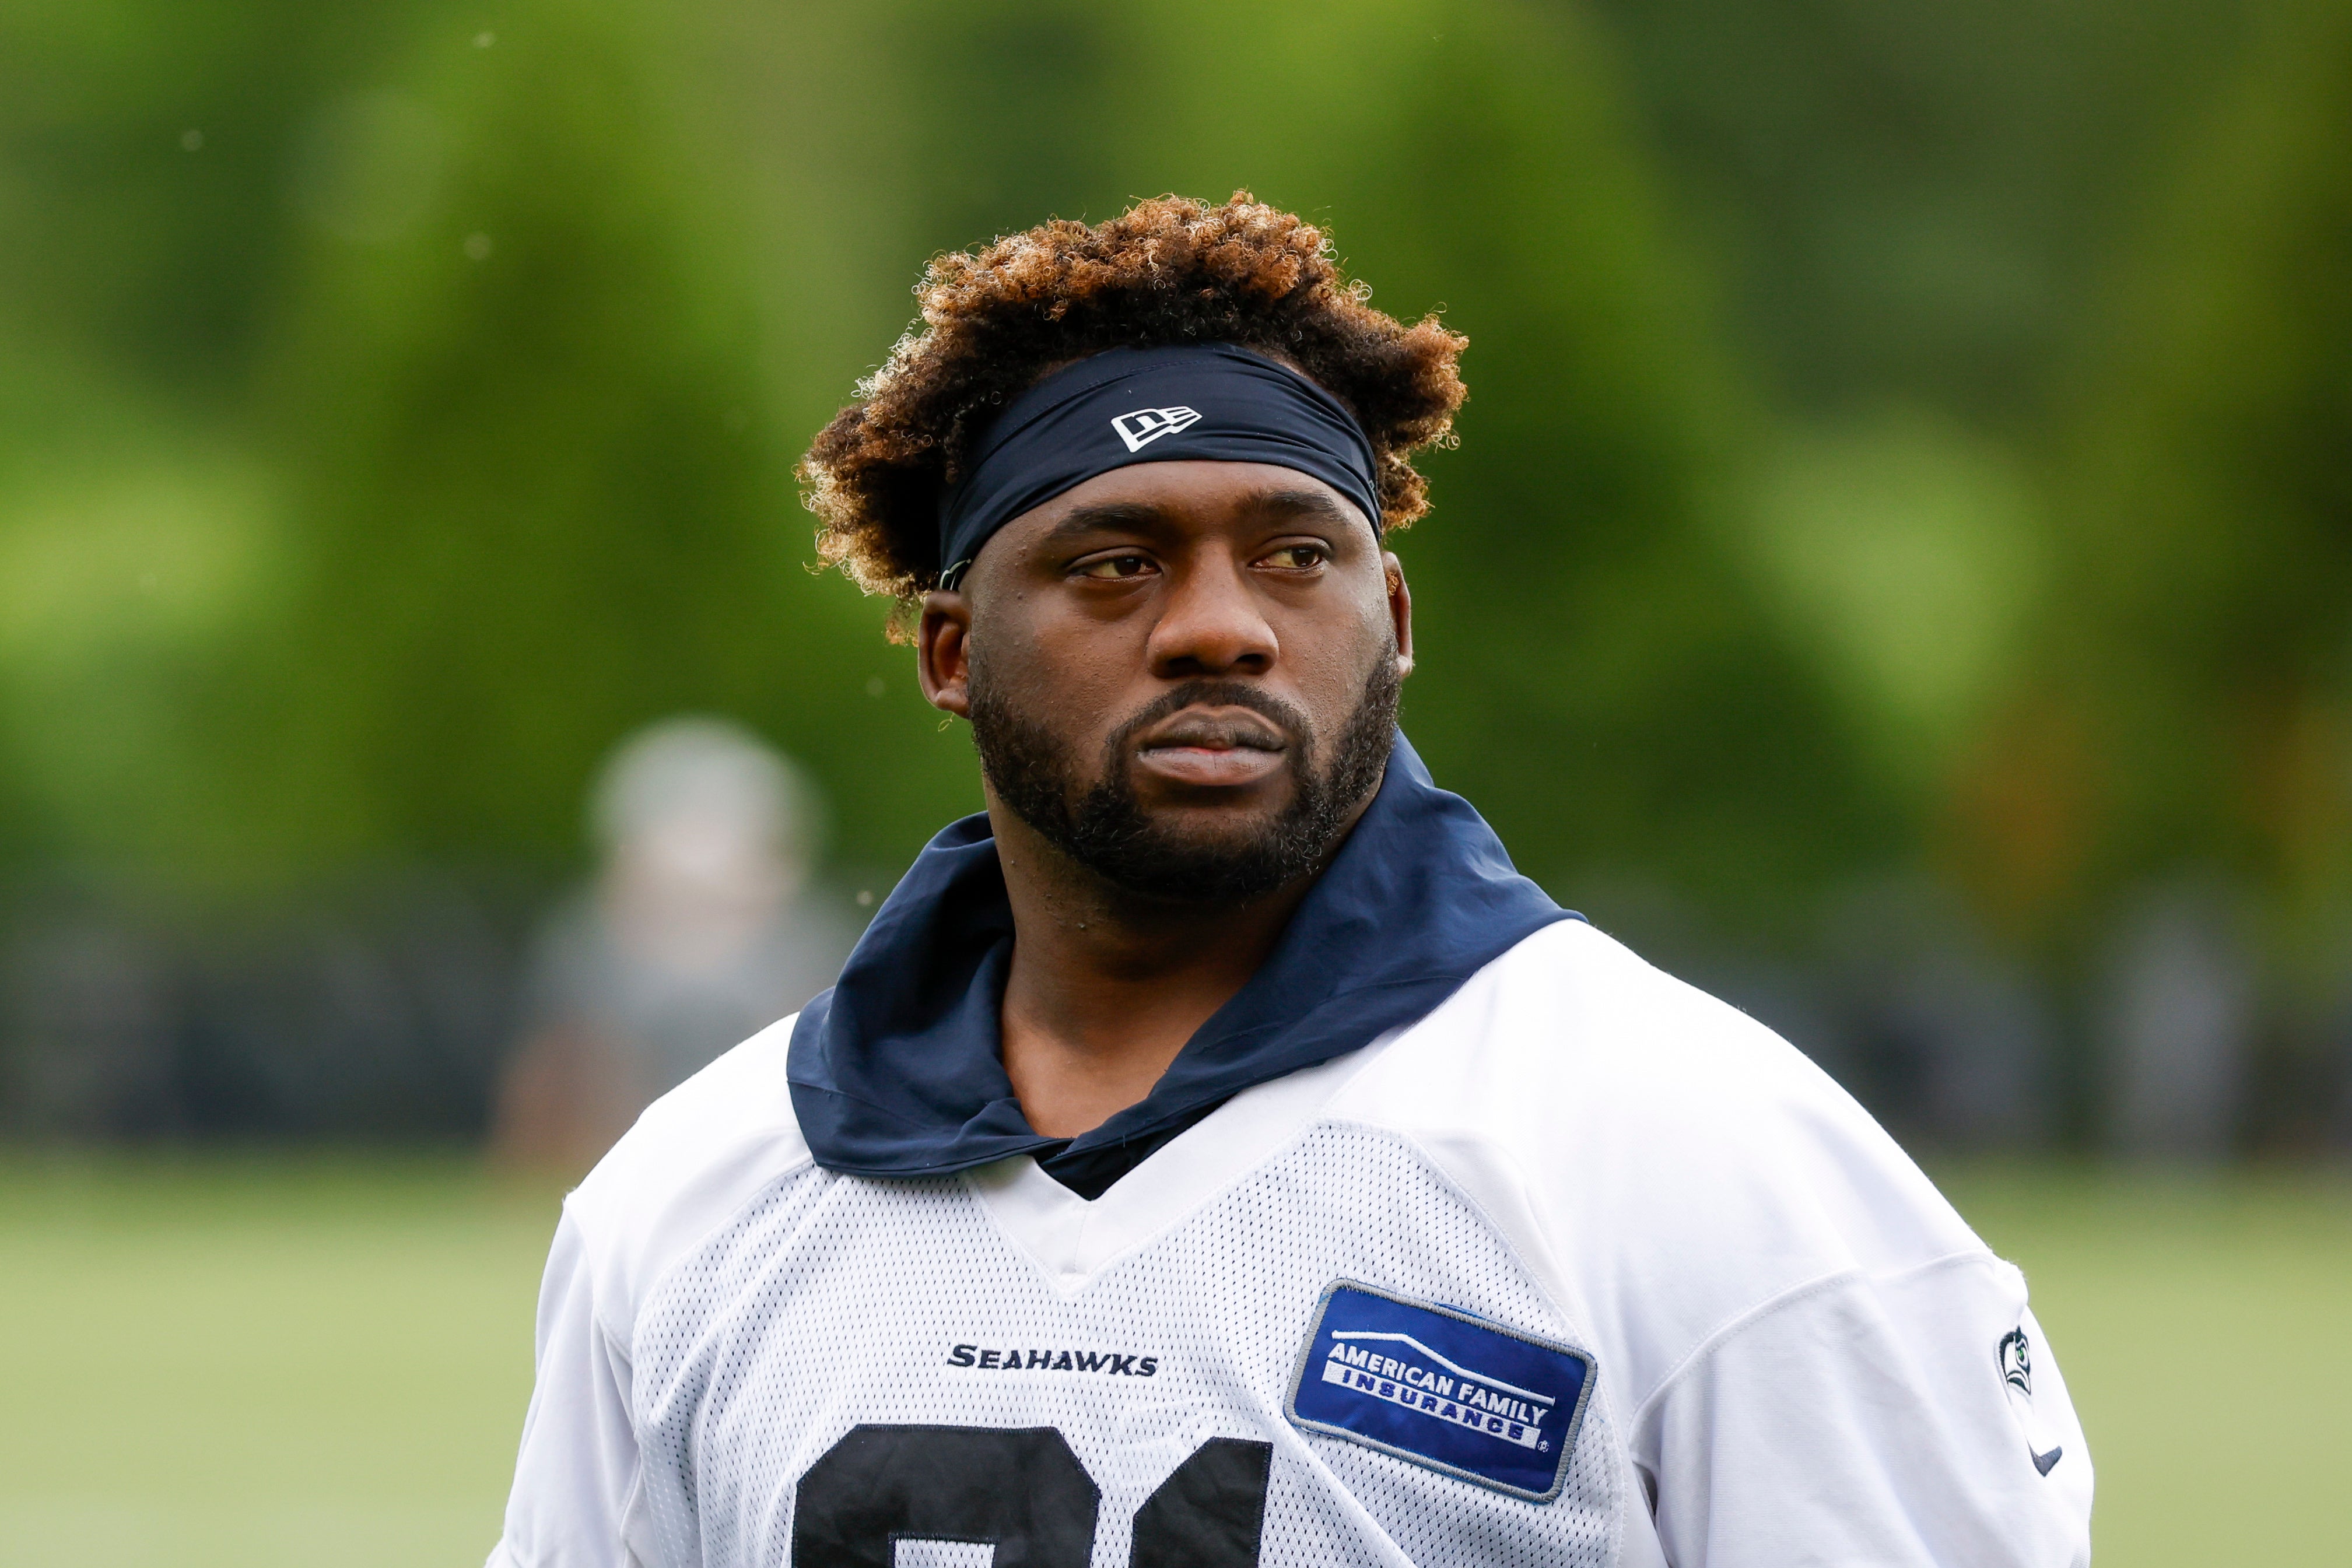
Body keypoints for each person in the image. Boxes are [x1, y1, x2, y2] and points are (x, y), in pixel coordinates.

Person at [489, 194, 2092, 1567]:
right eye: (1113, 563)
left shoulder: (1704, 1160)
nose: (1219, 626)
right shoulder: (696, 1195)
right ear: (954, 653)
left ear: (1392, 618)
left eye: (1293, 556)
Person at [491, 717, 855, 1176]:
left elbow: (834, 1070)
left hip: (769, 1168)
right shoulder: (588, 941)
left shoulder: (810, 940)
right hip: (622, 1169)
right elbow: (553, 1074)